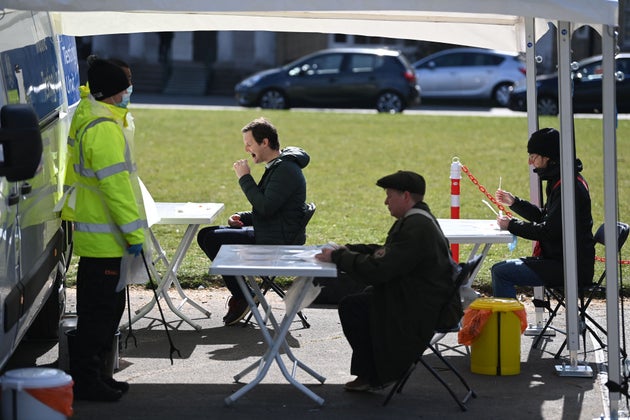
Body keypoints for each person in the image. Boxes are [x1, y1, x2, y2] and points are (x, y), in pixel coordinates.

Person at [315, 170, 457, 392]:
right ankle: (373, 372)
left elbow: (379, 270)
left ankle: (377, 373)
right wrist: (351, 250)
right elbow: (389, 254)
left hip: (420, 307)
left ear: (406, 196)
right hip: (421, 296)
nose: (385, 202)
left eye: (390, 196)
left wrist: (338, 257)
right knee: (360, 301)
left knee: (354, 307)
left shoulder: (416, 227)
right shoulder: (417, 219)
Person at [61, 58, 146, 402]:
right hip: (106, 240)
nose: (128, 92)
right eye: (124, 88)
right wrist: (135, 233)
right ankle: (87, 381)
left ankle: (97, 375)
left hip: (100, 240)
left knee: (105, 313)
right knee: (98, 317)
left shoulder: (94, 117)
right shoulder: (104, 128)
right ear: (112, 92)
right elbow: (116, 189)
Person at [197, 117, 310, 325]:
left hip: (277, 242)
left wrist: (244, 178)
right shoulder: (279, 165)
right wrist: (244, 216)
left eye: (249, 144)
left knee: (212, 238)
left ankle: (244, 296)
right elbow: (271, 207)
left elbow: (266, 207)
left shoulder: (285, 169)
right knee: (206, 234)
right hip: (271, 231)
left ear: (264, 142)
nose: (246, 149)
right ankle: (245, 295)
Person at [491, 127, 595, 298]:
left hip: (569, 267)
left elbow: (548, 231)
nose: (530, 162)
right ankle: (509, 322)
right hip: (564, 261)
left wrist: (512, 225)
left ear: (548, 157)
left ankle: (509, 324)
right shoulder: (563, 180)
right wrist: (515, 202)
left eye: (533, 157)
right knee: (500, 269)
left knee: (501, 272)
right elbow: (545, 217)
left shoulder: (568, 187)